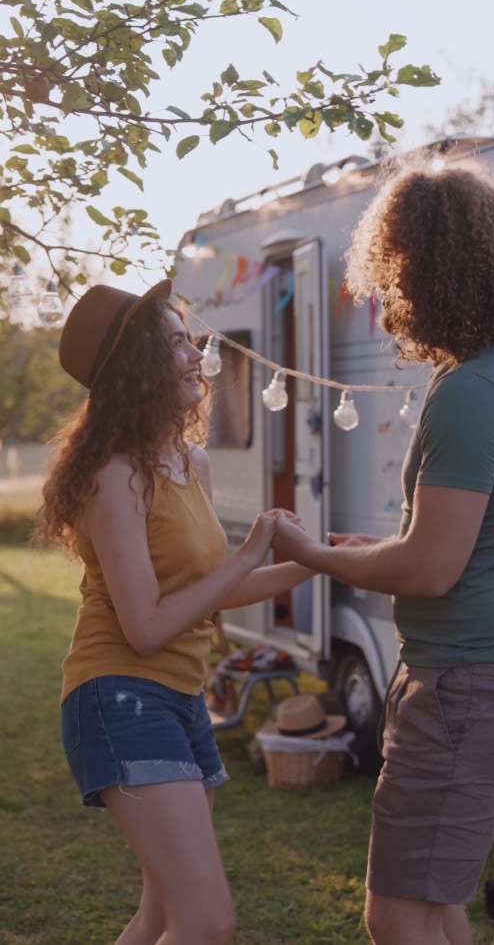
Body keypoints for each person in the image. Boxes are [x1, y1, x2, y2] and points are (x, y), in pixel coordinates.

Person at [272, 163, 494, 945]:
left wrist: (315, 554)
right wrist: (380, 548)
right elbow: (444, 544)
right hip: (477, 674)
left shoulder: (471, 390)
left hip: (466, 684)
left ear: (433, 267)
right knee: (432, 904)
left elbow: (433, 569)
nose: (388, 287)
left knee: (396, 912)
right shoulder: (492, 377)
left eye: (396, 266)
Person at [35, 279, 313, 945]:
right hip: (120, 695)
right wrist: (247, 555)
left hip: (181, 696)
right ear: (136, 368)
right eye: (175, 343)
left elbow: (206, 590)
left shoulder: (191, 463)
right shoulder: (113, 475)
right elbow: (148, 625)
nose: (196, 353)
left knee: (163, 915)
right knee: (207, 920)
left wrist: (321, 560)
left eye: (190, 336)